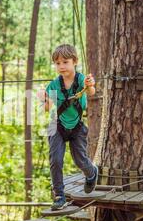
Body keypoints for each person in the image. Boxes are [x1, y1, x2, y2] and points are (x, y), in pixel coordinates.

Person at [37, 44, 99, 210]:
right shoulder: (53, 85)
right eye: (57, 63)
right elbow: (47, 108)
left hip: (77, 126)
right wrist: (43, 99)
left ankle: (91, 173)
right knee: (55, 160)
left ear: (75, 62)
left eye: (65, 62)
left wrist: (90, 83)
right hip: (57, 125)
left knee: (80, 160)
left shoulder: (81, 80)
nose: (61, 66)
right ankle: (59, 195)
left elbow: (91, 91)